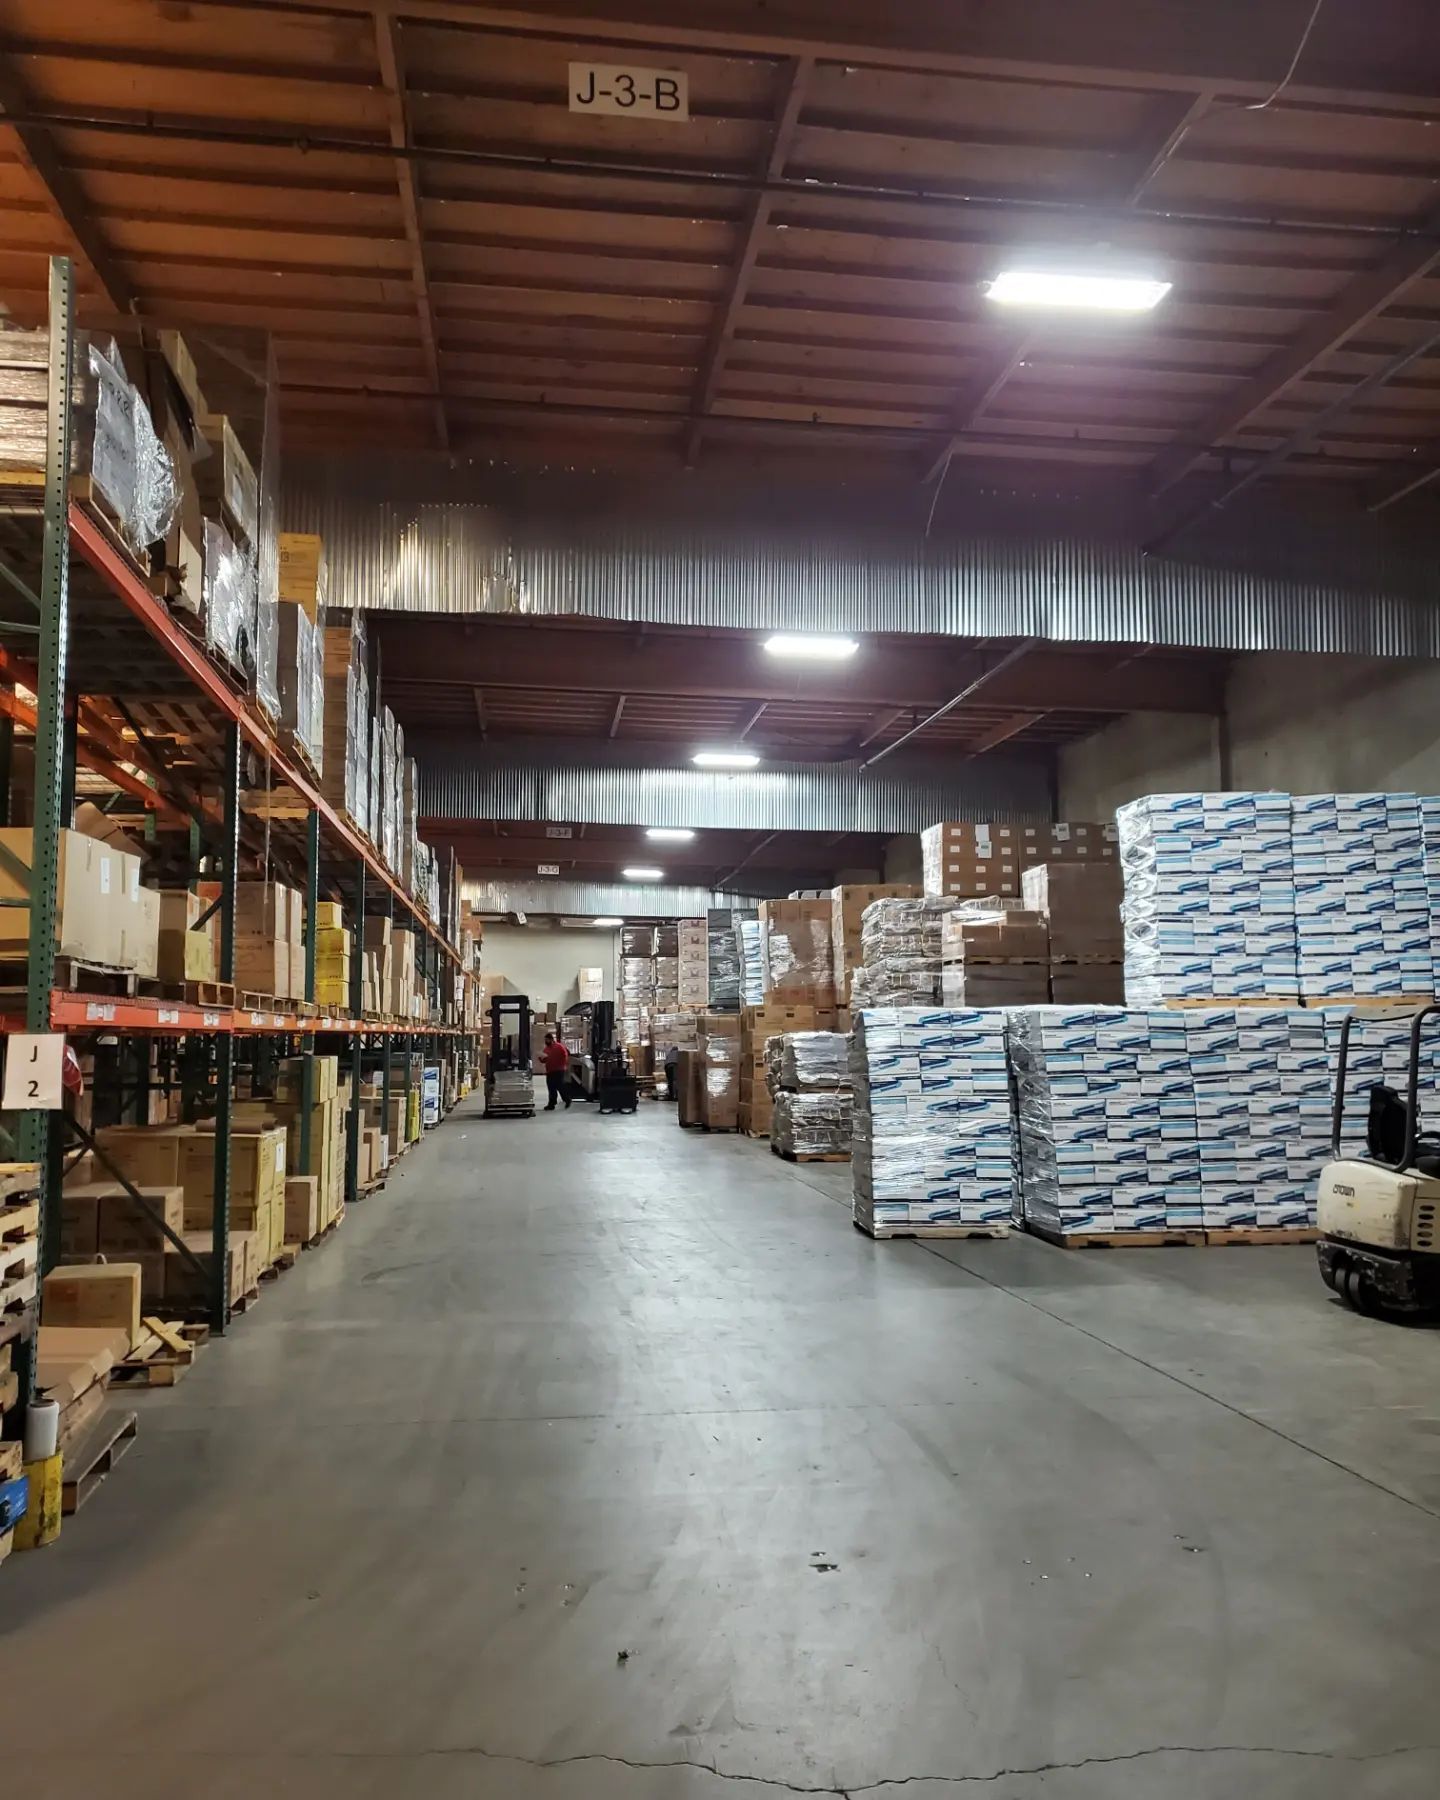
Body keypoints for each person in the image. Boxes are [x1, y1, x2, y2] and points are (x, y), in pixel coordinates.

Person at [541, 1032, 571, 1110]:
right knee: (551, 1088)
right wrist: (541, 1059)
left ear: (551, 1039)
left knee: (560, 1086)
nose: (546, 1041)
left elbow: (566, 1055)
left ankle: (567, 1099)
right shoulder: (546, 1049)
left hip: (559, 1070)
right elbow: (544, 1060)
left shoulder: (559, 1047)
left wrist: (563, 1064)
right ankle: (551, 1104)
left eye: (547, 1040)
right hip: (550, 1071)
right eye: (545, 1040)